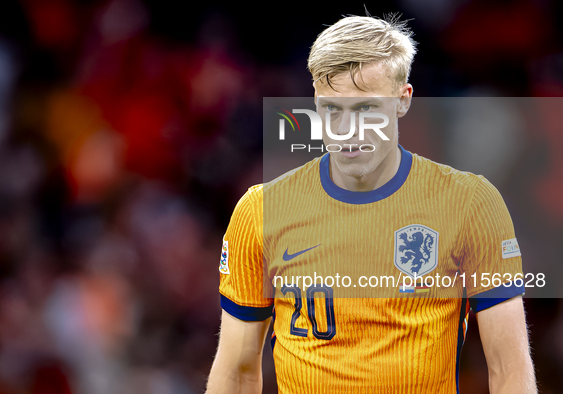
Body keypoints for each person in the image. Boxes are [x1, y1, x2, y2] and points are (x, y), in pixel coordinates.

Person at [206, 15, 537, 393]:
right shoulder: (260, 211)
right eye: (333, 109)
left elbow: (510, 372)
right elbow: (237, 372)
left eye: (367, 109)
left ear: (402, 101)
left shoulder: (470, 204)